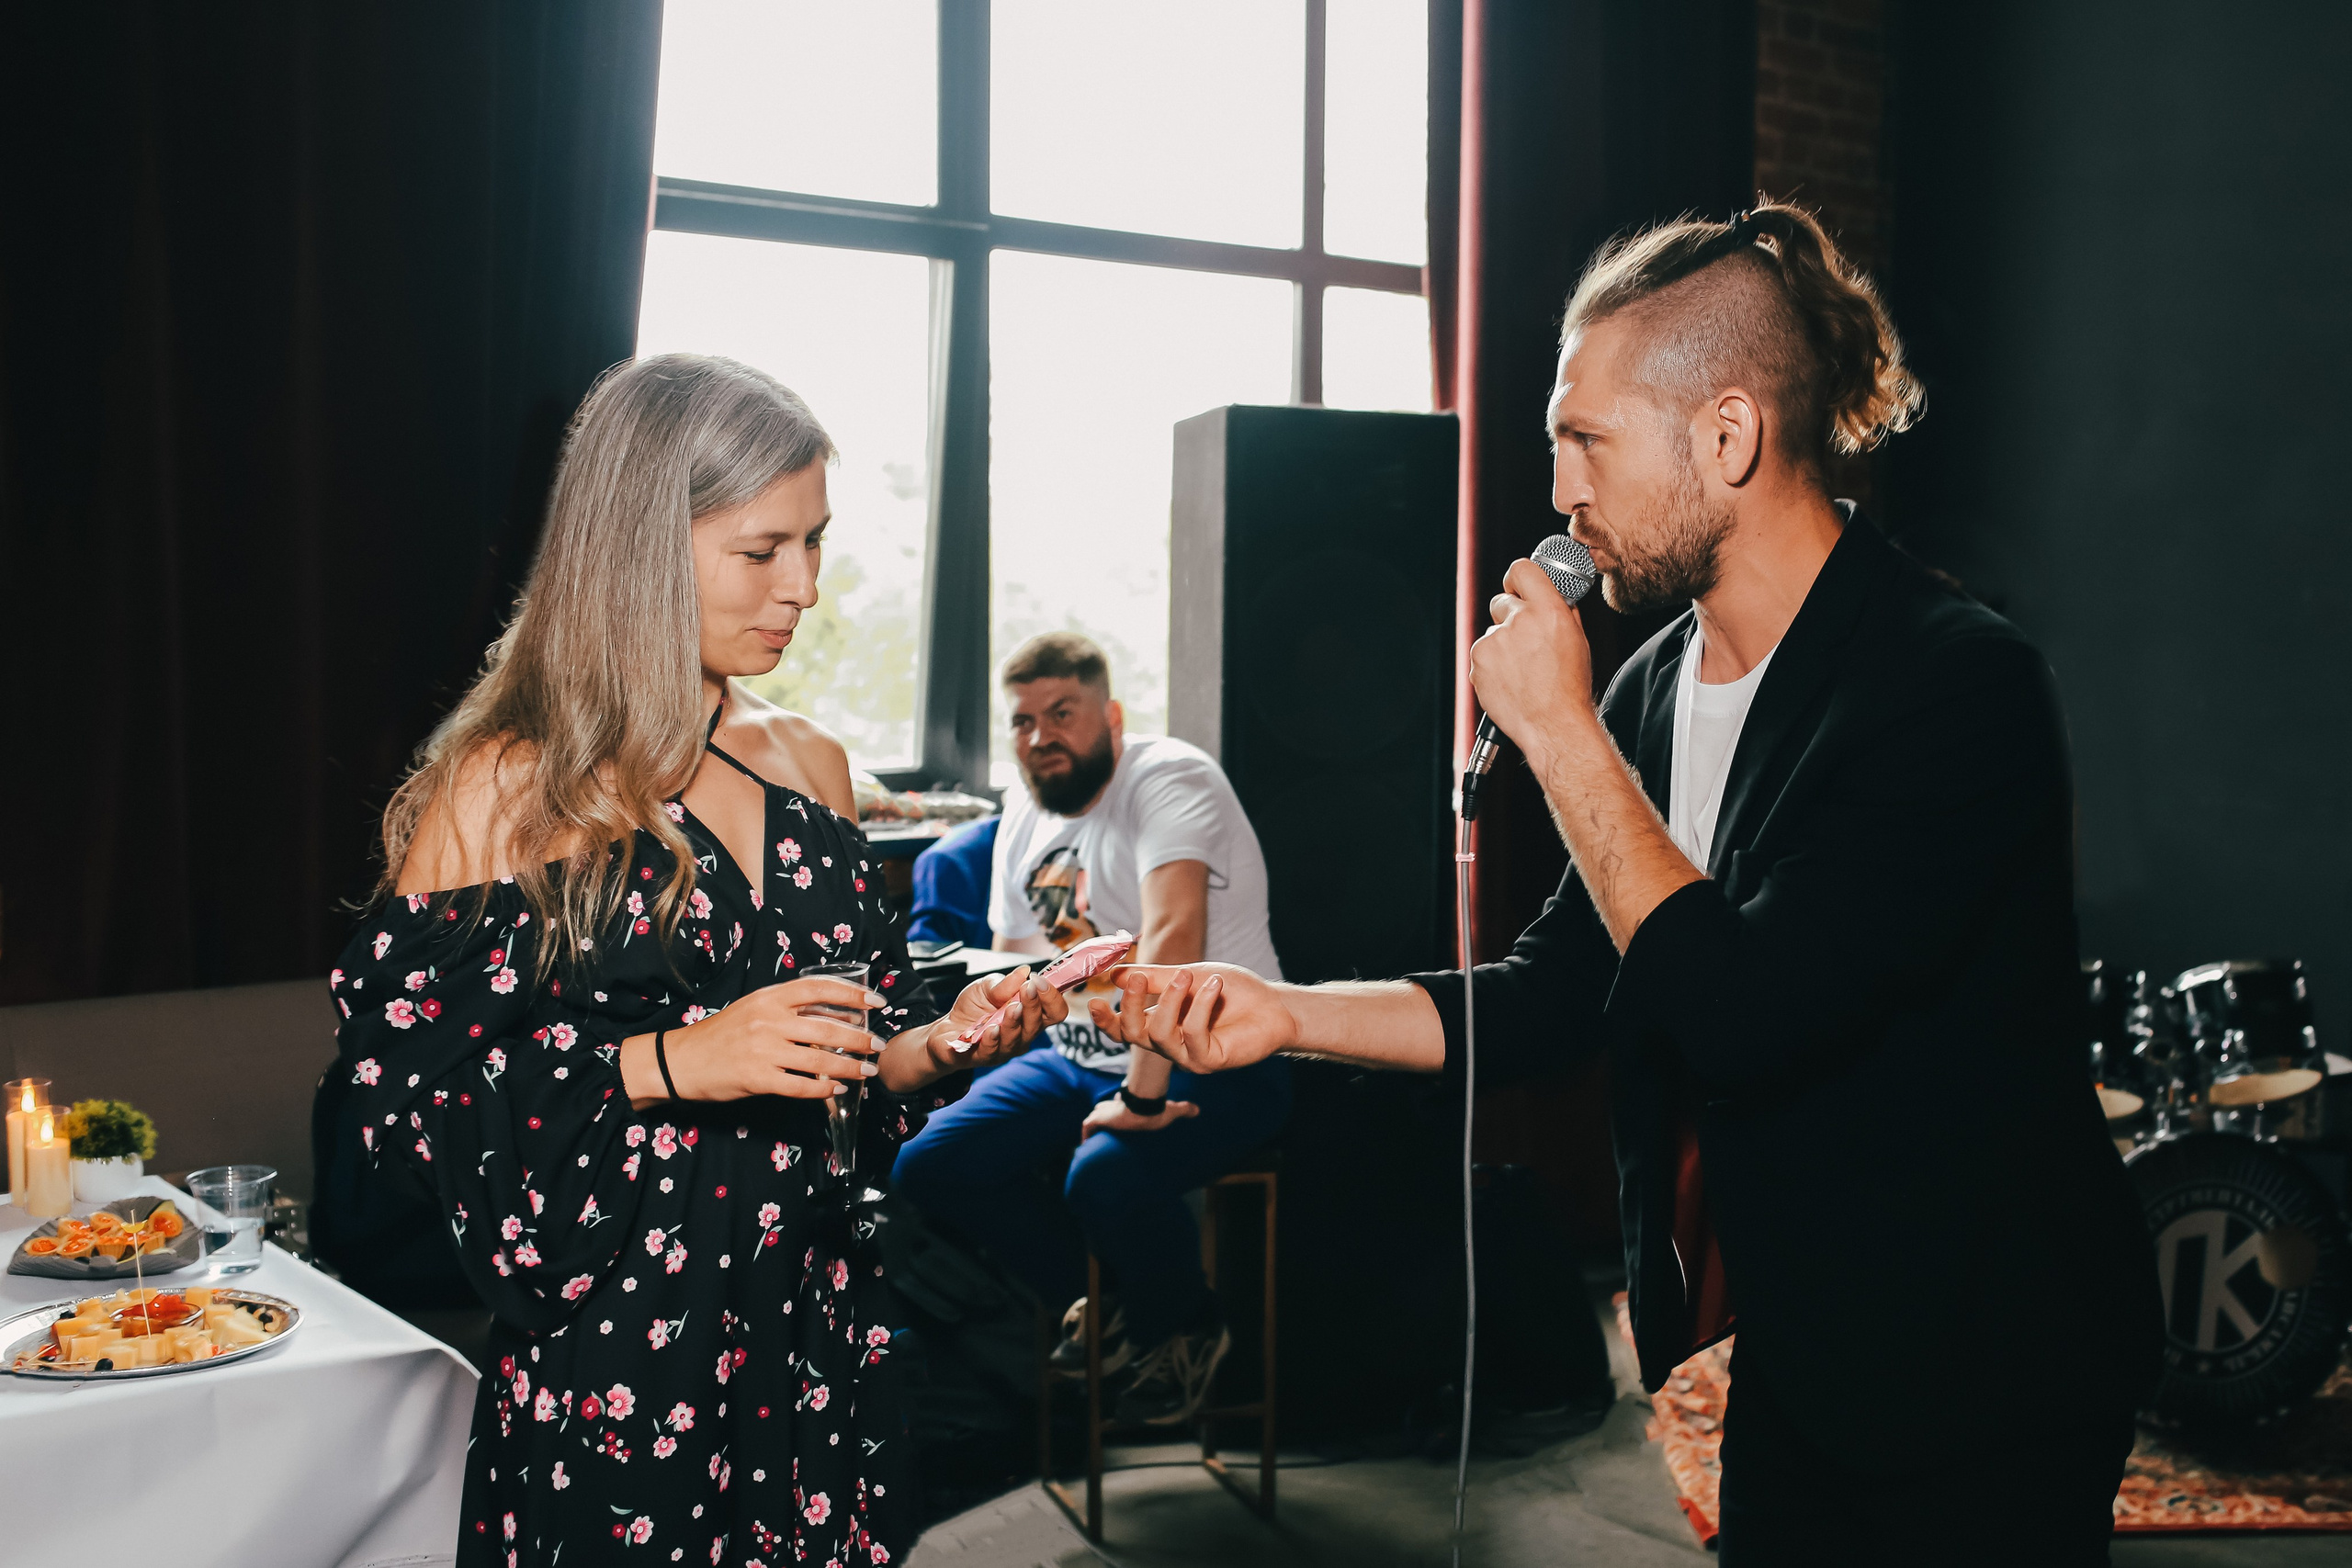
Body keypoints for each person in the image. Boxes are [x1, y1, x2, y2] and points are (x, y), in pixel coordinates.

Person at [1088, 207, 2164, 1564]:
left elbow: (1747, 1009)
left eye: (1585, 438)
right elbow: (1557, 994)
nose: (1558, 491)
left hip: (1987, 1352)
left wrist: (1561, 732)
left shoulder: (1953, 685)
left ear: (1726, 436)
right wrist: (1283, 1009)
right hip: (1807, 1345)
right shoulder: (1658, 683)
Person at [330, 354, 1069, 1568]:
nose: (807, 587)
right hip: (622, 1360)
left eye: (817, 544)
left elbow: (844, 1067)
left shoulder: (815, 766)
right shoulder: (509, 782)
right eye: (762, 549)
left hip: (820, 1333)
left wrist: (942, 1041)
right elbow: (404, 1103)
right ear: (640, 545)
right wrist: (669, 1059)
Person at [892, 634, 1291, 1427]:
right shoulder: (1024, 810)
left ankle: (1185, 1322)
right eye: (1024, 720)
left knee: (1100, 1175)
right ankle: (1103, 1306)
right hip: (1079, 1055)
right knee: (927, 1161)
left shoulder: (1169, 778)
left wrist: (1142, 1101)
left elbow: (1172, 937)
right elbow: (1012, 958)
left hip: (1213, 1053)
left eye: (1062, 713)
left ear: (1109, 716)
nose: (1041, 735)